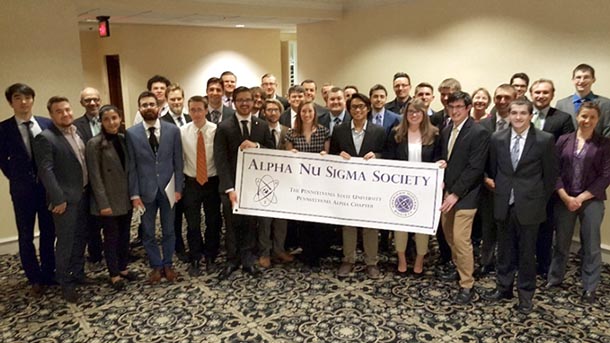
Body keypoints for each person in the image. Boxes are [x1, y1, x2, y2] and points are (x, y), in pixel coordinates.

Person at [485, 99, 558, 314]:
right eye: (514, 113)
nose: (517, 117)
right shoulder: (497, 138)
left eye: (522, 113)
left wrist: (538, 201)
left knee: (527, 254)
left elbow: (550, 176)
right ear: (508, 114)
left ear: (530, 115)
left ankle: (525, 295)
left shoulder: (545, 140)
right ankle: (503, 287)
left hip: (531, 205)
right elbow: (494, 169)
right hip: (503, 201)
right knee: (504, 250)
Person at [546, 102, 610, 304]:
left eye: (592, 117)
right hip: (564, 198)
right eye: (584, 116)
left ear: (597, 119)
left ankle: (589, 287)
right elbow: (553, 170)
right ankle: (555, 279)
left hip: (591, 200)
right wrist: (565, 196)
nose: (587, 121)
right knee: (561, 242)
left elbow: (606, 176)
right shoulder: (564, 140)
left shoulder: (605, 144)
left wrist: (581, 198)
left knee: (591, 245)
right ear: (577, 116)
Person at [0, 83, 56, 298]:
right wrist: (18, 178)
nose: (23, 102)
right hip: (22, 191)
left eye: (27, 97)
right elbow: (3, 162)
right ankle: (34, 278)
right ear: (11, 102)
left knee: (49, 231)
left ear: (32, 99)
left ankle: (48, 273)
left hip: (46, 189)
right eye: (17, 98)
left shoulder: (46, 123)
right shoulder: (3, 129)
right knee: (25, 235)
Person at [33, 96, 90, 303]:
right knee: (65, 242)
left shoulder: (77, 132)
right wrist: (58, 199)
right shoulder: (45, 138)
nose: (65, 114)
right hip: (64, 200)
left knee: (80, 237)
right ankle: (65, 283)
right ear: (51, 115)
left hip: (83, 193)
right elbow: (46, 171)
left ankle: (78, 273)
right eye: (59, 111)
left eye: (67, 109)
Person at [214, 86, 273, 279]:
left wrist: (256, 145)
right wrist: (229, 188)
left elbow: (271, 151)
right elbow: (220, 160)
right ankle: (232, 259)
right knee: (231, 225)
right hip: (230, 186)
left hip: (253, 187)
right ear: (234, 102)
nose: (245, 103)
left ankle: (248, 259)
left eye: (248, 99)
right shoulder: (224, 127)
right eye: (240, 100)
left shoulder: (261, 125)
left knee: (250, 224)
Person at [126, 91, 184, 284]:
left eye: (152, 104)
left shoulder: (172, 131)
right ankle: (156, 266)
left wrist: (178, 188)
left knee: (169, 230)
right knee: (148, 233)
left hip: (168, 189)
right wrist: (134, 194)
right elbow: (131, 166)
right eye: (144, 105)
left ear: (158, 107)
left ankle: (168, 264)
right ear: (139, 108)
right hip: (145, 191)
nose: (148, 107)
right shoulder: (131, 133)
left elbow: (178, 162)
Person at [438, 91, 489, 304]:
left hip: (466, 196)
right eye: (452, 107)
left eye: (460, 107)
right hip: (448, 191)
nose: (455, 111)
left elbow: (475, 168)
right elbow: (449, 159)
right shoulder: (447, 129)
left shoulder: (478, 132)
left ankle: (467, 284)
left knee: (461, 239)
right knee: (449, 235)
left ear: (468, 108)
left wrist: (455, 194)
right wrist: (441, 169)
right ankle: (460, 268)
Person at [330, 93, 386, 279]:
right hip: (347, 186)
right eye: (354, 107)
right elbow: (332, 156)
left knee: (370, 224)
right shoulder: (339, 130)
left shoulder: (379, 131)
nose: (358, 110)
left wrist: (376, 156)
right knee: (349, 223)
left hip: (371, 187)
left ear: (368, 108)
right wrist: (339, 157)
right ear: (349, 109)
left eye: (362, 106)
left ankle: (371, 262)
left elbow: (388, 156)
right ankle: (348, 259)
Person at [386, 99, 441, 276]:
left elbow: (438, 158)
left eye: (418, 112)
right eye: (410, 112)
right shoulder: (396, 134)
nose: (414, 115)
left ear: (424, 114)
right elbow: (389, 160)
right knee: (400, 225)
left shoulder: (435, 134)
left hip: (425, 190)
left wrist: (439, 166)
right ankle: (401, 259)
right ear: (405, 114)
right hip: (400, 188)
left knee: (421, 227)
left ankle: (419, 260)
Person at [85, 105, 136, 290]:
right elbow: (95, 176)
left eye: (114, 118)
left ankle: (123, 268)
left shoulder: (123, 140)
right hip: (107, 200)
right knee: (111, 238)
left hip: (124, 197)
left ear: (120, 119)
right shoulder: (94, 144)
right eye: (106, 119)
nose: (111, 122)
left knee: (124, 236)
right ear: (101, 122)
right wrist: (103, 204)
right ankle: (113, 274)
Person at [285, 100, 331, 267]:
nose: (307, 114)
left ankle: (318, 251)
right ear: (299, 113)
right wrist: (291, 154)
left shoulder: (324, 132)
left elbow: (328, 155)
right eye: (303, 111)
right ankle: (307, 251)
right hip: (299, 183)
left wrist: (325, 155)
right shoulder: (291, 133)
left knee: (318, 219)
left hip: (319, 183)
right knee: (303, 220)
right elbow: (287, 157)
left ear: (314, 113)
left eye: (310, 111)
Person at [180, 96, 222, 276]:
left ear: (206, 110)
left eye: (199, 109)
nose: (196, 113)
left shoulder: (216, 130)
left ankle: (211, 256)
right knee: (193, 223)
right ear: (188, 111)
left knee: (213, 221)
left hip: (212, 182)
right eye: (192, 110)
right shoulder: (181, 132)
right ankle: (196, 257)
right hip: (191, 183)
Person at [257, 99, 293, 267]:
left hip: (284, 182)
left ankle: (279, 249)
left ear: (280, 112)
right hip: (264, 181)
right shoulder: (258, 130)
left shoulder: (289, 132)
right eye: (269, 110)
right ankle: (264, 252)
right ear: (264, 112)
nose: (272, 113)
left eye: (275, 110)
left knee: (281, 219)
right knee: (265, 220)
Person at [161, 84, 192, 263]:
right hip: (172, 175)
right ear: (167, 100)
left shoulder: (191, 117)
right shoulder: (162, 122)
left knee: (191, 213)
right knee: (175, 215)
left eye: (179, 98)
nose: (176, 102)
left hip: (190, 172)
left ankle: (192, 243)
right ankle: (178, 247)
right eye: (172, 99)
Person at [74, 87, 104, 265]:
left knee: (112, 219)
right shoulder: (76, 126)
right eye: (87, 100)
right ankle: (95, 254)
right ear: (82, 103)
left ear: (100, 100)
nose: (92, 103)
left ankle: (115, 252)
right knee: (91, 220)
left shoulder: (110, 119)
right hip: (88, 178)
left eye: (95, 99)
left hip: (110, 178)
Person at [555, 63, 610, 135]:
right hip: (566, 145)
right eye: (578, 77)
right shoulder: (561, 104)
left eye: (586, 77)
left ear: (593, 80)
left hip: (598, 145)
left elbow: (608, 131)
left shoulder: (606, 104)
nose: (581, 81)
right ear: (573, 80)